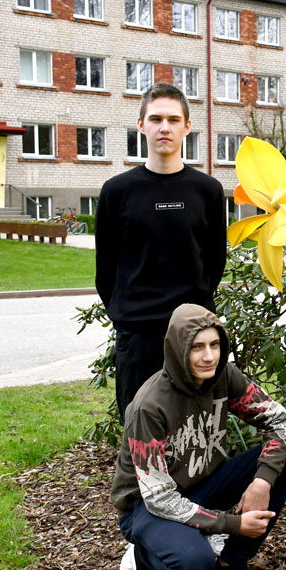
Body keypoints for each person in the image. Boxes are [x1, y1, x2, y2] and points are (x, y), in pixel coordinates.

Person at [111, 304, 286, 570]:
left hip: (202, 485)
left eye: (214, 345)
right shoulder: (150, 407)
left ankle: (230, 568)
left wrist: (262, 481)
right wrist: (233, 524)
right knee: (192, 565)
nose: (209, 356)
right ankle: (145, 556)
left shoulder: (223, 376)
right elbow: (159, 498)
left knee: (284, 456)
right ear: (177, 349)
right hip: (146, 507)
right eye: (197, 347)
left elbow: (281, 421)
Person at [96, 82, 227, 423]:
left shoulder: (208, 191)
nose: (164, 127)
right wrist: (124, 314)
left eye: (172, 119)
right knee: (140, 433)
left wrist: (193, 314)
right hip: (137, 337)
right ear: (141, 125)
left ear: (187, 126)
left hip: (195, 336)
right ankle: (143, 481)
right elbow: (105, 268)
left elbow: (215, 262)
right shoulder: (117, 192)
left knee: (197, 434)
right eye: (155, 119)